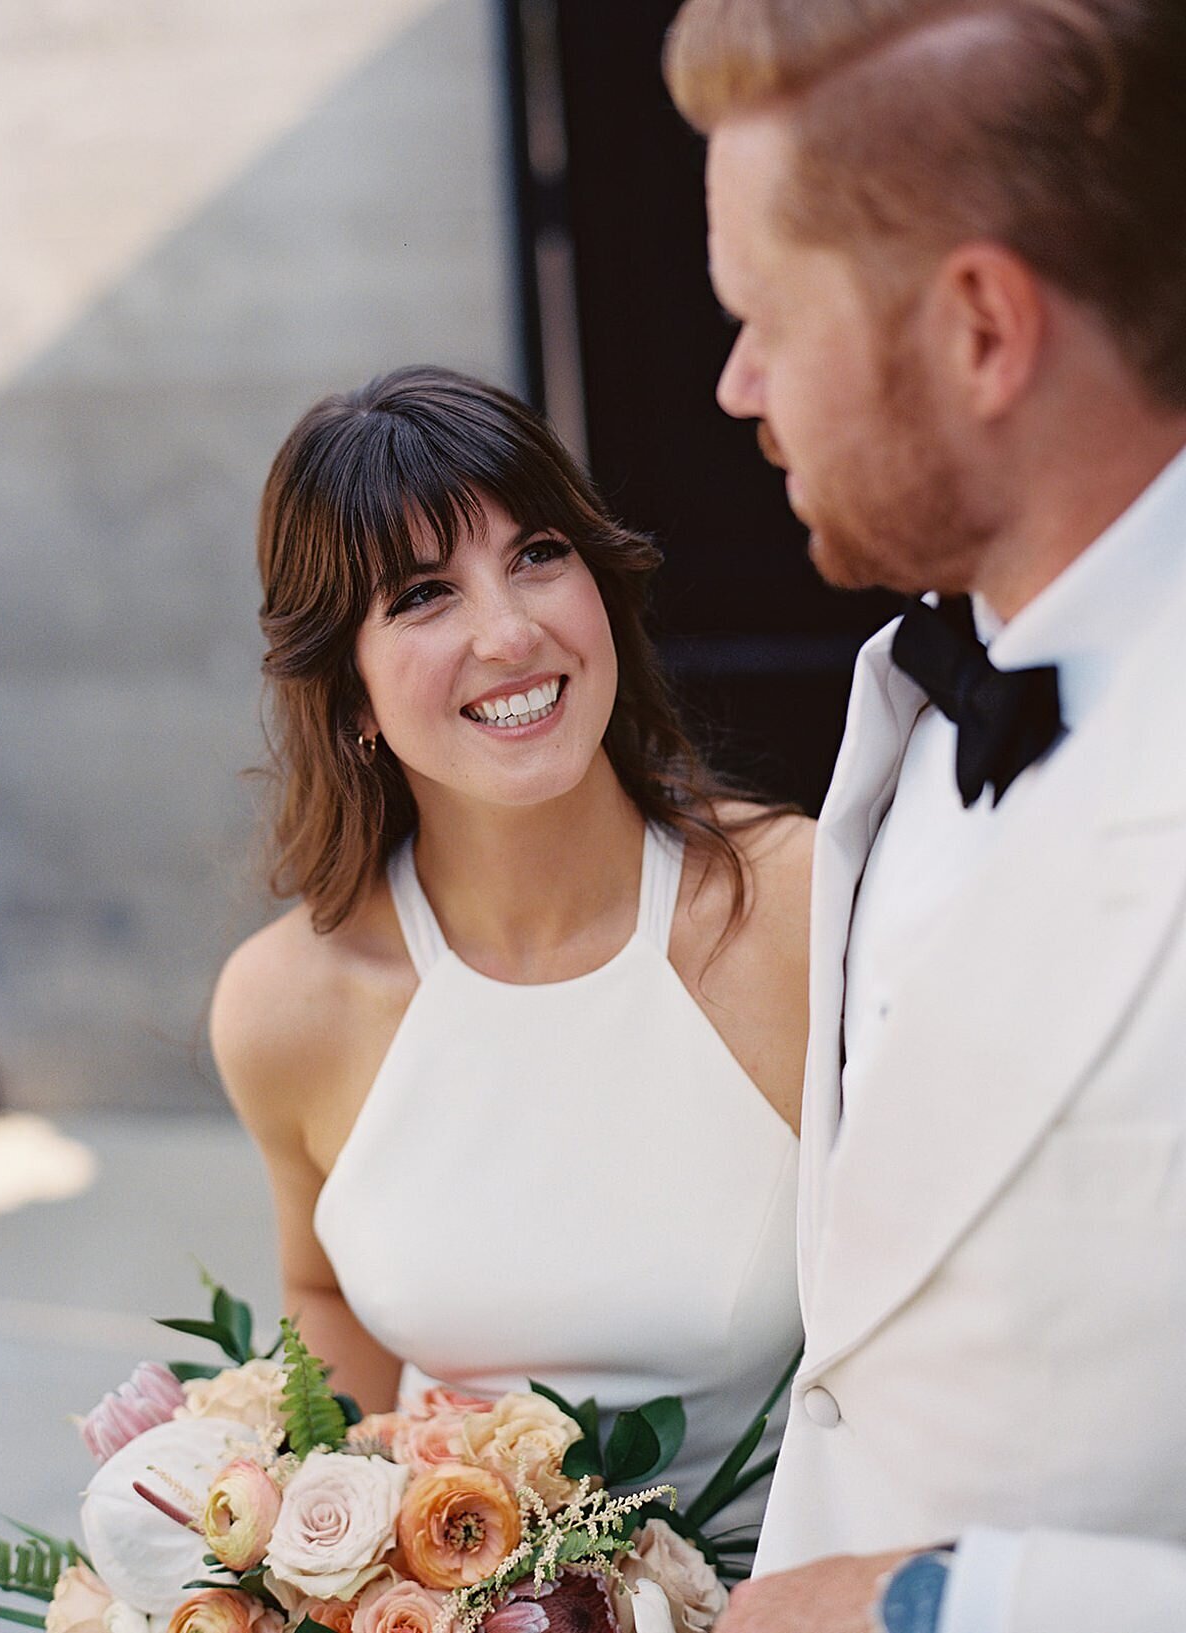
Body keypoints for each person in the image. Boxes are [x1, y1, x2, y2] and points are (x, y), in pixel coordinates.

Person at [665, 0, 1186, 1629]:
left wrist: (940, 1602)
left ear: (979, 328)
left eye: (768, 313)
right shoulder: (903, 698)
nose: (738, 380)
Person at [210, 366, 813, 1534]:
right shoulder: (286, 1006)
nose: (510, 629)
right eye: (425, 595)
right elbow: (323, 1295)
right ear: (352, 697)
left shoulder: (793, 906)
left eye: (538, 552)